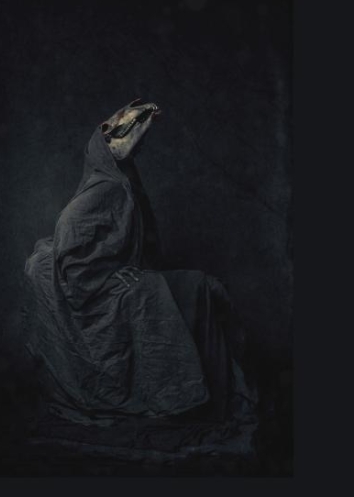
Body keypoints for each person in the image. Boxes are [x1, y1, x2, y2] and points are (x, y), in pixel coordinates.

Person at [24, 99, 256, 426]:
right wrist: (107, 275)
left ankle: (212, 387)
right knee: (176, 293)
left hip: (120, 274)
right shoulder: (106, 185)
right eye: (132, 141)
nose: (138, 148)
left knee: (205, 290)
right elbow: (69, 227)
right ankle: (182, 394)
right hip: (96, 291)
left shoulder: (121, 179)